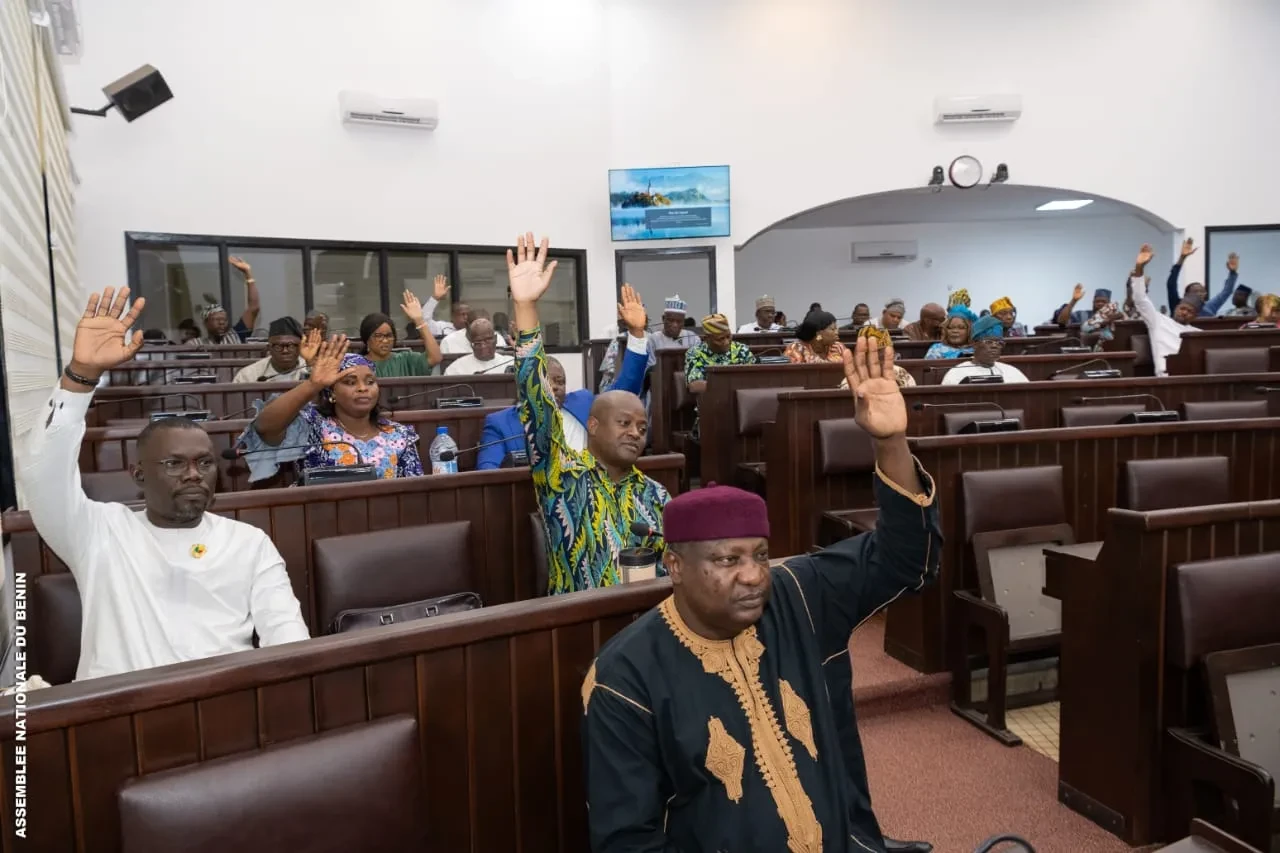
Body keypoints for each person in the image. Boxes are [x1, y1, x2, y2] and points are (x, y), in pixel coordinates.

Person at [581, 332, 941, 853]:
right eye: (728, 561)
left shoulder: (799, 597)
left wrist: (890, 443)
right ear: (675, 567)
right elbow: (626, 842)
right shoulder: (624, 678)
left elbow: (908, 563)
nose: (752, 575)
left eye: (760, 555)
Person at [18, 287, 309, 681]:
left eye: (204, 463)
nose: (193, 474)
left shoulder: (248, 542)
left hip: (224, 710)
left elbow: (289, 642)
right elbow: (43, 472)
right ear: (138, 474)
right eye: (174, 463)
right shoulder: (98, 532)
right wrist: (81, 377)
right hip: (116, 718)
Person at [509, 233, 668, 594]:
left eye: (642, 428)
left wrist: (639, 334)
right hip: (577, 630)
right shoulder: (560, 476)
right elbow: (537, 403)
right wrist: (526, 309)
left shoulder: (657, 495)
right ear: (592, 426)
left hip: (647, 626)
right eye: (625, 424)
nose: (635, 433)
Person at [480, 286, 650, 469]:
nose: (555, 387)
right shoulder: (500, 423)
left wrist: (637, 335)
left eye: (560, 381)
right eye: (546, 380)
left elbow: (624, 394)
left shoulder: (583, 402)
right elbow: (488, 474)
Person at [245, 336, 424, 480]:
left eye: (370, 382)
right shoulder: (311, 426)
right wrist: (313, 385)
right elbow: (263, 427)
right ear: (332, 392)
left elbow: (413, 492)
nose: (363, 388)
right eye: (350, 382)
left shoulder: (398, 435)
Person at [1129, 243, 1202, 376]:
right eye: (1182, 308)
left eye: (1190, 311)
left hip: (1192, 375)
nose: (1184, 312)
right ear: (1176, 307)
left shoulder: (1198, 334)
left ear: (1195, 316)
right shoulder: (1158, 321)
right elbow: (1140, 298)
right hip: (1166, 377)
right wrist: (1139, 267)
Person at [685, 313, 758, 438]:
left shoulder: (741, 350)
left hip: (744, 407)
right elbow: (694, 385)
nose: (726, 342)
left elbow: (755, 379)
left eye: (728, 336)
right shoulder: (695, 353)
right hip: (712, 411)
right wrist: (729, 387)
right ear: (706, 338)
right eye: (720, 339)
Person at [358, 290, 443, 378]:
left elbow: (435, 357)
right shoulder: (357, 365)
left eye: (389, 335)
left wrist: (419, 320)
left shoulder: (406, 360)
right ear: (367, 339)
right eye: (378, 336)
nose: (385, 340)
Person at [940, 314, 1029, 384]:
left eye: (999, 343)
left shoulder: (1012, 372)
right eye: (988, 342)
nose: (995, 346)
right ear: (974, 344)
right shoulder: (957, 373)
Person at [197, 256, 261, 344]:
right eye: (216, 319)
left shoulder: (236, 336)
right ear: (205, 323)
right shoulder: (197, 344)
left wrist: (248, 273)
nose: (222, 322)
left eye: (224, 319)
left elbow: (254, 308)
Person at [1165, 238, 1235, 317]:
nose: (1200, 294)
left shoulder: (1209, 306)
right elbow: (1171, 284)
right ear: (1186, 295)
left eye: (1202, 292)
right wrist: (1182, 258)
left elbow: (1226, 292)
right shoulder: (1178, 304)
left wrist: (1232, 273)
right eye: (1196, 292)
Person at [232, 317, 315, 383]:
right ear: (269, 348)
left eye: (291, 346)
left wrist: (310, 365)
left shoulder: (309, 368)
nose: (285, 351)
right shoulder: (248, 376)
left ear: (300, 347)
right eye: (278, 346)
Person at [444, 317, 514, 375]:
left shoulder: (511, 362)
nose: (483, 346)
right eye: (478, 343)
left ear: (495, 339)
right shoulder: (456, 369)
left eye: (487, 340)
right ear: (471, 343)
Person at [441, 305, 510, 354]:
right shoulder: (448, 342)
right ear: (467, 325)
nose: (483, 331)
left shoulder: (498, 338)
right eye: (478, 327)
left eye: (486, 327)